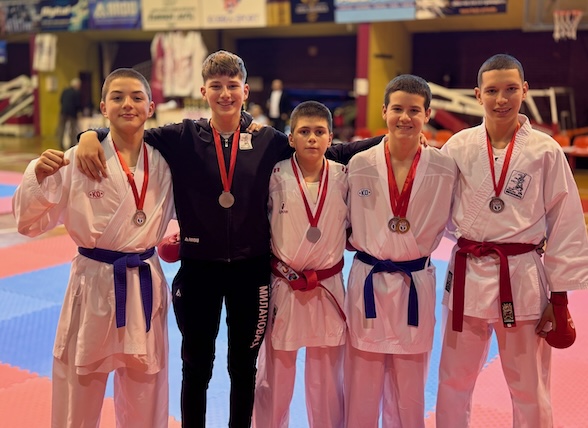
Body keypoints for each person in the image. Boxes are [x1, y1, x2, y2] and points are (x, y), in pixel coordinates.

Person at [74, 50, 378, 428]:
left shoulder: (268, 140)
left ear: (245, 91)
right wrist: (90, 135)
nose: (225, 94)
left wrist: (396, 138)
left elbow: (332, 150)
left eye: (232, 86)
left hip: (251, 273)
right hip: (199, 270)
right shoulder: (182, 137)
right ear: (204, 91)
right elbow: (130, 131)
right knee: (196, 366)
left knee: (244, 367)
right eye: (216, 86)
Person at [12, 68, 175, 428]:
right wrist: (38, 175)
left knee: (146, 389)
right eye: (117, 97)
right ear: (103, 107)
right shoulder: (76, 159)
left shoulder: (166, 163)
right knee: (80, 386)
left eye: (136, 97)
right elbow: (28, 223)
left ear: (151, 107)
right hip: (92, 284)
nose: (127, 104)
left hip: (143, 286)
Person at [436, 53, 588, 428]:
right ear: (477, 95)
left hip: (521, 278)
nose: (501, 99)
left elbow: (566, 223)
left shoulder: (545, 150)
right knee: (453, 382)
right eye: (492, 91)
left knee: (529, 387)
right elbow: (433, 207)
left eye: (510, 89)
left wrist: (560, 298)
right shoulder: (458, 146)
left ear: (525, 90)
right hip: (467, 278)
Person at [344, 74, 457, 428]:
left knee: (409, 390)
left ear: (427, 114)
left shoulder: (445, 167)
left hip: (415, 283)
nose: (404, 118)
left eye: (414, 110)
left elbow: (463, 221)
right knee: (361, 386)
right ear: (384, 111)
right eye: (397, 109)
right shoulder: (359, 164)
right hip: (368, 281)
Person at [252, 101, 348, 428]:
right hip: (285, 285)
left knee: (327, 378)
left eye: (319, 132)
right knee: (275, 375)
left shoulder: (344, 177)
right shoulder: (274, 175)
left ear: (331, 137)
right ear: (290, 138)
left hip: (327, 286)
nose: (312, 138)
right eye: (304, 132)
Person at [57, 77, 82, 150]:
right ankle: (72, 144)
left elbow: (60, 100)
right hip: (72, 113)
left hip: (63, 111)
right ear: (77, 85)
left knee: (61, 128)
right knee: (73, 129)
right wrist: (79, 112)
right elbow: (78, 104)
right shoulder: (76, 92)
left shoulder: (65, 91)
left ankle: (60, 144)